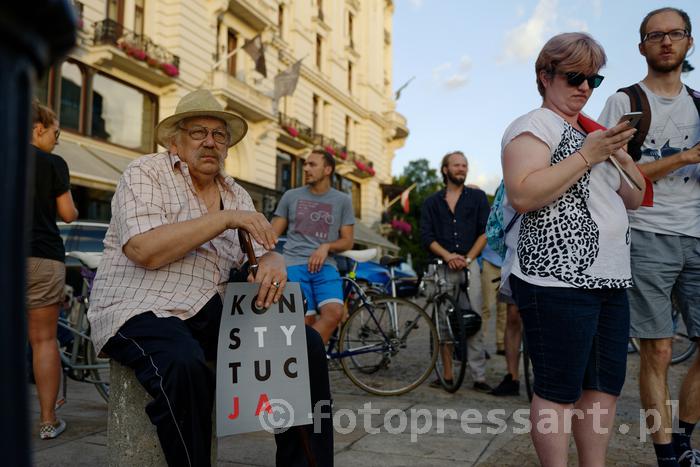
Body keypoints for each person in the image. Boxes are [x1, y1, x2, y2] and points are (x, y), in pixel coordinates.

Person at [88, 90, 333, 467]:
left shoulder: (236, 193)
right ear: (176, 141)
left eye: (219, 136)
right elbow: (145, 251)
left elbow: (258, 251)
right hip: (140, 305)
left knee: (306, 345)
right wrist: (223, 219)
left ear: (227, 148)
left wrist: (272, 259)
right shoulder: (146, 172)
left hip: (209, 308)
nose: (210, 142)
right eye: (198, 132)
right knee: (184, 365)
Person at [501, 32, 645, 465]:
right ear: (545, 76)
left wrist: (616, 152)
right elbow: (523, 195)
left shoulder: (592, 133)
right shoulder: (533, 125)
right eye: (575, 76)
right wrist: (587, 155)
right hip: (554, 278)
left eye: (593, 80)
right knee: (558, 389)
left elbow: (636, 197)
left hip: (610, 275)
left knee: (603, 388)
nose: (584, 87)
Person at [598, 8, 700, 466]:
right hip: (646, 233)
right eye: (655, 36)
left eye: (675, 34)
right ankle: (666, 456)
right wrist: (683, 159)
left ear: (689, 43)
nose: (665, 42)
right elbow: (607, 171)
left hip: (698, 235)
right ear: (641, 46)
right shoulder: (625, 102)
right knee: (658, 348)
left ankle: (685, 439)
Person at [27, 100, 78, 440]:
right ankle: (47, 421)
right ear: (38, 128)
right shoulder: (52, 163)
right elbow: (69, 213)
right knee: (44, 340)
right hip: (42, 256)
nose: (58, 139)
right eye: (56, 132)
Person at [420, 151, 492, 393]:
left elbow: (485, 232)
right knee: (443, 323)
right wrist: (448, 255)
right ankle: (447, 374)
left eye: (464, 165)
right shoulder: (431, 202)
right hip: (441, 266)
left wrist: (468, 257)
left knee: (474, 319)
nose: (461, 169)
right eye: (456, 165)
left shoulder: (478, 198)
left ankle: (479, 377)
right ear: (445, 169)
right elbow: (426, 236)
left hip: (469, 264)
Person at [271, 149, 354, 344]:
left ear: (327, 169)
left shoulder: (343, 200)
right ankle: (305, 364)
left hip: (326, 266)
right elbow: (272, 234)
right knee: (304, 320)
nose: (306, 168)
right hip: (292, 265)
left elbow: (347, 241)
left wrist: (326, 246)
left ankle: (305, 357)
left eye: (312, 164)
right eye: (305, 164)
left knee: (334, 313)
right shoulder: (290, 196)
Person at [479, 244, 507, 356]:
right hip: (489, 261)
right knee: (487, 307)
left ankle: (501, 344)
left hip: (507, 262)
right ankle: (479, 345)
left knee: (504, 308)